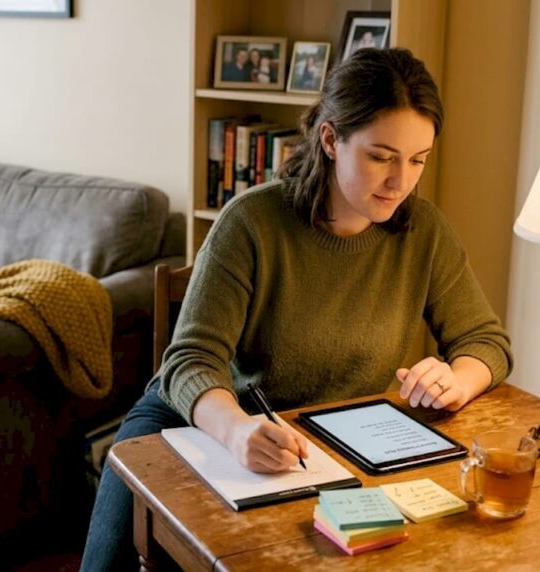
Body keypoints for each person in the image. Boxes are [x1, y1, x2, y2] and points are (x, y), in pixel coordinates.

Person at [80, 48, 512, 570]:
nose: (401, 181)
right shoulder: (251, 223)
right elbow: (190, 361)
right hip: (198, 423)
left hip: (332, 445)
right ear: (330, 140)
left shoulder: (426, 232)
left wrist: (457, 379)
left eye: (418, 159)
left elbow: (485, 342)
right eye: (381, 157)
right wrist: (237, 430)